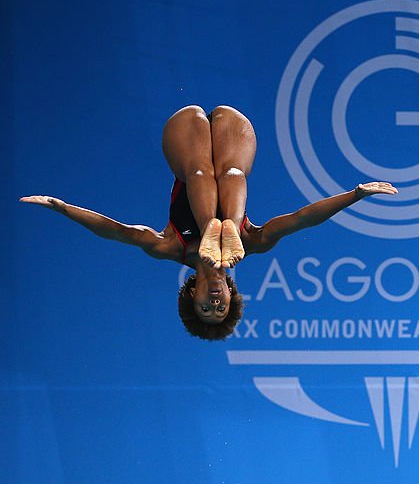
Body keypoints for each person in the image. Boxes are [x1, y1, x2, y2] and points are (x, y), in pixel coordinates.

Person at [20, 105, 397, 340]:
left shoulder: (171, 247)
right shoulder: (254, 245)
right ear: (231, 296)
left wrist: (63, 207)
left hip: (188, 147)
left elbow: (117, 231)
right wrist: (355, 195)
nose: (215, 304)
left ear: (191, 295)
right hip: (234, 149)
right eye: (221, 308)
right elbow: (300, 219)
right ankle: (226, 225)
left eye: (205, 308)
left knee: (200, 172)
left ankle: (217, 226)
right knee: (233, 173)